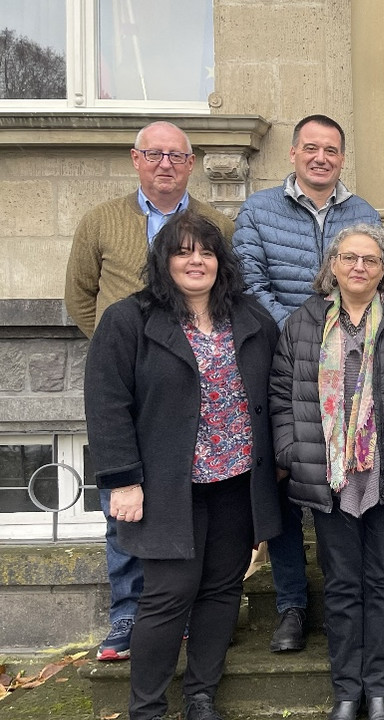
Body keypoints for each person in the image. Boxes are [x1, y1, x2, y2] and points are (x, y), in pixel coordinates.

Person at [84, 210, 282, 720]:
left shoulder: (251, 317)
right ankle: (146, 708)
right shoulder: (130, 320)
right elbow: (107, 404)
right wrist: (122, 479)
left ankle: (200, 698)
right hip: (169, 485)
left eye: (207, 251)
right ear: (164, 260)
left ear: (221, 261)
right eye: (183, 251)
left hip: (238, 480)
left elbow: (276, 394)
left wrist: (279, 462)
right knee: (168, 596)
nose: (196, 260)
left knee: (221, 591)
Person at [64, 120, 233, 663]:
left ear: (191, 163)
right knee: (126, 498)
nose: (165, 164)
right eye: (154, 154)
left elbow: (229, 290)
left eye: (177, 156)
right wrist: (124, 357)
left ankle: (175, 613)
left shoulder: (215, 224)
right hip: (133, 384)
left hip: (196, 387)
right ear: (135, 159)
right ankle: (127, 613)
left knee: (181, 502)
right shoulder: (102, 221)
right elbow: (79, 295)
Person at [270, 224, 384, 720]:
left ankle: (380, 691)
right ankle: (347, 691)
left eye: (370, 260)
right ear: (332, 265)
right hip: (327, 476)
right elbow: (281, 395)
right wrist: (291, 449)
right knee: (343, 585)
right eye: (349, 258)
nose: (359, 268)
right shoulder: (303, 322)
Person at [234, 114, 382, 654]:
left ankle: (356, 596)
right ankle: (292, 604)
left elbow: (374, 278)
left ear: (342, 158)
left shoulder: (362, 212)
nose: (321, 158)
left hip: (351, 375)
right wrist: (306, 331)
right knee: (286, 485)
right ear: (294, 154)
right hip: (280, 363)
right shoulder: (258, 210)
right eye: (311, 149)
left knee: (345, 482)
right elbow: (249, 283)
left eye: (332, 151)